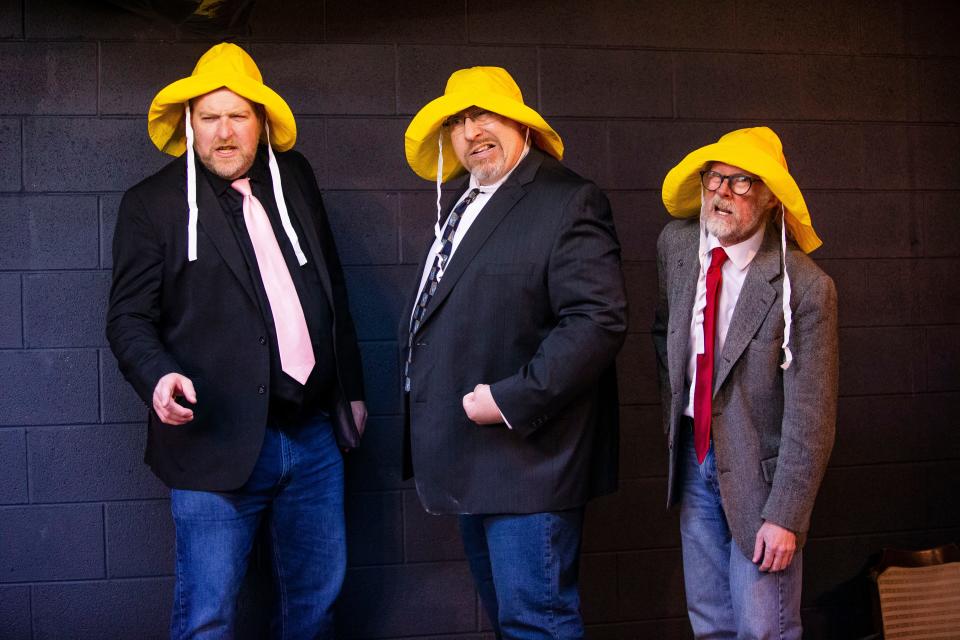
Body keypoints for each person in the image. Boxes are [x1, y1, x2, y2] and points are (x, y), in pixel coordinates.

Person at [106, 42, 366, 639]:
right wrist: (157, 378)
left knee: (315, 609)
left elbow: (331, 290)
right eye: (209, 118)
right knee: (210, 617)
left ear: (262, 123)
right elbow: (128, 319)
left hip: (314, 439)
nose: (224, 133)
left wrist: (350, 391)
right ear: (190, 126)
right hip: (213, 440)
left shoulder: (295, 178)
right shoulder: (151, 206)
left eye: (238, 116)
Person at [400, 66, 627, 639]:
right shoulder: (469, 202)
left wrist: (508, 399)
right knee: (513, 624)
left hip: (531, 463)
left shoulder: (567, 198)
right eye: (457, 120)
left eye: (484, 114)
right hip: (478, 461)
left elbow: (597, 320)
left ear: (521, 124)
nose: (471, 130)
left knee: (536, 626)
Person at [652, 127, 838, 639]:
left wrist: (787, 515)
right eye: (715, 179)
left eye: (742, 183)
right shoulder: (678, 244)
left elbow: (812, 415)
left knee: (763, 629)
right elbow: (664, 330)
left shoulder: (806, 286)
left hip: (763, 478)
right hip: (694, 458)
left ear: (771, 196)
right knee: (709, 622)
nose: (722, 193)